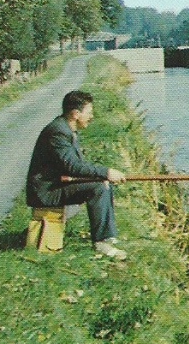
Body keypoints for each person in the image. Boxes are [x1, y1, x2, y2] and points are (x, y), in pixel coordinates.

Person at [26, 90, 128, 259]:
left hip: (56, 184)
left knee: (103, 183)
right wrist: (106, 172)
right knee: (99, 187)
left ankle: (107, 235)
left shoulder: (65, 129)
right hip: (47, 192)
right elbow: (73, 166)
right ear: (75, 114)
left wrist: (103, 175)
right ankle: (101, 243)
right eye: (89, 113)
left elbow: (72, 167)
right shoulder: (58, 132)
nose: (92, 116)